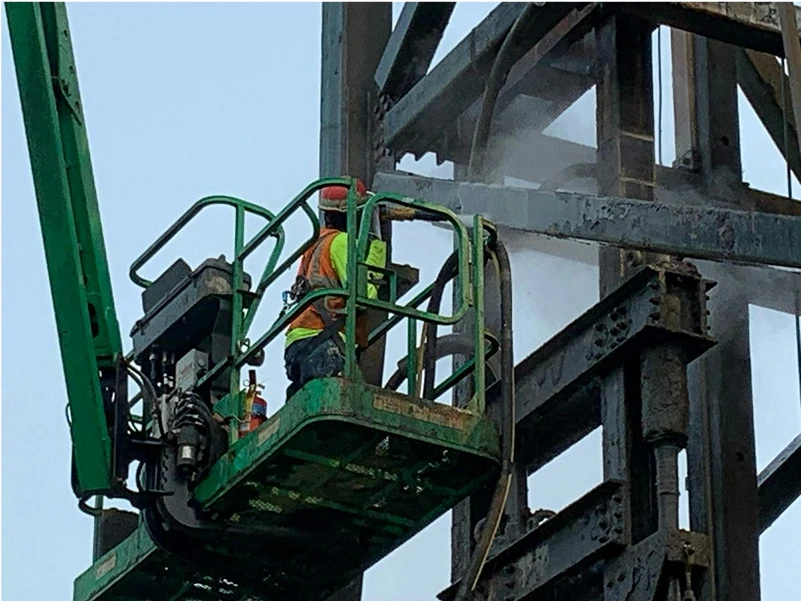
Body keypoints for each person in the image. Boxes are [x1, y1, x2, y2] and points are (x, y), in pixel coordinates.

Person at [283, 178, 386, 400]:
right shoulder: (341, 242)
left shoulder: (315, 243)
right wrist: (376, 251)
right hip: (322, 342)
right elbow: (362, 296)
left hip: (298, 343)